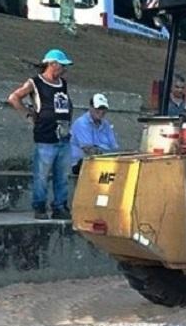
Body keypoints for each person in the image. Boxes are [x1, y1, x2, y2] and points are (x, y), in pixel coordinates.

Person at [7, 48, 74, 220]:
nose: (64, 69)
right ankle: (40, 206)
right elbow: (14, 97)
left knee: (62, 176)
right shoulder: (35, 82)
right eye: (61, 65)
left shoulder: (63, 83)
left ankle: (60, 206)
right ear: (52, 64)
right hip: (45, 135)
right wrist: (28, 115)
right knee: (42, 175)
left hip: (63, 135)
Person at [70, 93, 119, 174]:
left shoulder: (106, 124)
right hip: (82, 163)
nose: (101, 111)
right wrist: (109, 154)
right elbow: (89, 150)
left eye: (104, 108)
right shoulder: (81, 123)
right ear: (91, 107)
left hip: (102, 161)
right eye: (98, 108)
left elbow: (114, 147)